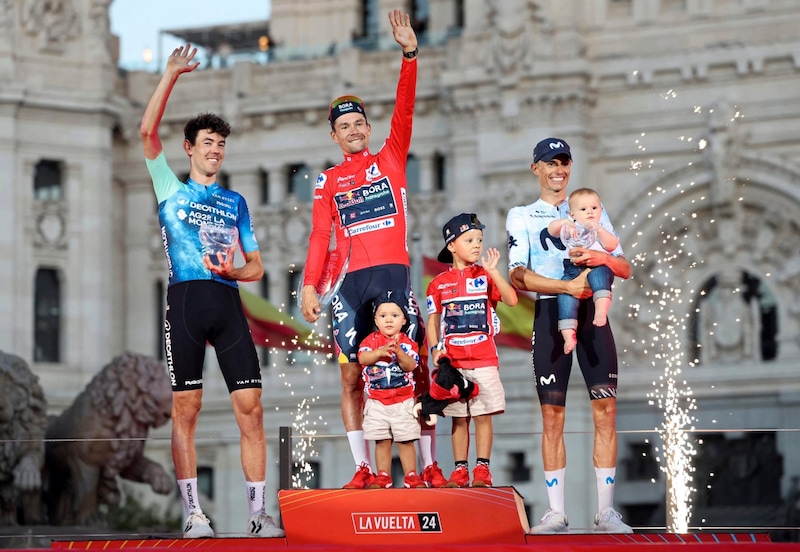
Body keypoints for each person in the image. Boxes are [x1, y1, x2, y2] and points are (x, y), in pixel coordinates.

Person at [140, 44, 284, 539]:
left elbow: (258, 267)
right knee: (188, 409)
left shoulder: (235, 201)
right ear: (190, 148)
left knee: (252, 408)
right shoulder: (169, 188)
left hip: (226, 303)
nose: (215, 150)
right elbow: (145, 133)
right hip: (184, 303)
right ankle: (193, 514)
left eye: (220, 144)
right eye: (207, 142)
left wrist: (235, 267)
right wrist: (171, 74)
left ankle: (258, 514)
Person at [300, 10, 443, 489]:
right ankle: (365, 468)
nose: (356, 130)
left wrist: (409, 54)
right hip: (352, 287)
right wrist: (309, 286)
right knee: (351, 379)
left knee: (414, 368)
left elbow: (404, 109)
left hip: (393, 277)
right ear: (335, 136)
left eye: (361, 122)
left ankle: (427, 467)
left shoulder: (390, 158)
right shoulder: (327, 181)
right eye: (347, 126)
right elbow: (321, 236)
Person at [506, 138, 633, 534]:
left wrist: (601, 259)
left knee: (606, 410)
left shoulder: (590, 205)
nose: (558, 170)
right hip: (550, 313)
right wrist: (566, 288)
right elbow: (516, 275)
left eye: (563, 162)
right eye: (550, 163)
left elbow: (624, 266)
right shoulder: (522, 215)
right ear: (536, 169)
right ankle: (556, 512)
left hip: (592, 312)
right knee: (551, 416)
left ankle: (607, 512)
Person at [426, 213, 518, 488]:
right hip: (453, 363)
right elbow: (432, 320)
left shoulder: (486, 277)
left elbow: (512, 299)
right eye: (469, 240)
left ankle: (483, 469)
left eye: (479, 239)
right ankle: (460, 470)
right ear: (452, 245)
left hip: (484, 359)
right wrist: (434, 350)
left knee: (482, 415)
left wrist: (494, 272)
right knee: (458, 419)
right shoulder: (437, 283)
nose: (477, 245)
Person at [357, 291, 426, 489]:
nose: (389, 320)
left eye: (394, 316)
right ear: (376, 320)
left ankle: (411, 475)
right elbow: (363, 359)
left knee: (406, 440)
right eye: (383, 316)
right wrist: (379, 352)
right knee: (381, 440)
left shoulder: (407, 342)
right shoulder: (369, 342)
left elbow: (410, 365)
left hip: (402, 402)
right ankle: (383, 475)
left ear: (404, 320)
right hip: (377, 402)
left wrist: (398, 352)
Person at [547, 188, 620, 354]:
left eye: (594, 208)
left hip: (596, 265)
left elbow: (612, 245)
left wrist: (599, 230)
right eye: (583, 209)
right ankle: (568, 335)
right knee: (565, 298)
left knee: (600, 277)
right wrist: (564, 223)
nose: (590, 212)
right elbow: (551, 229)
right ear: (572, 213)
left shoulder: (601, 227)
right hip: (571, 269)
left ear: (601, 210)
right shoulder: (569, 225)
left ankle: (601, 312)